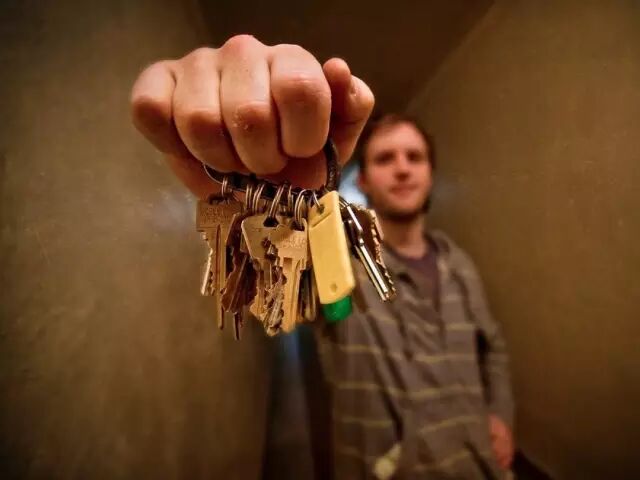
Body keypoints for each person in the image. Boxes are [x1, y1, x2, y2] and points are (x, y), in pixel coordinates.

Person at [131, 35, 514, 479]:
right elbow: (289, 296)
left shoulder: (458, 264)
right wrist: (261, 201)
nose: (403, 167)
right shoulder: (335, 259)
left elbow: (492, 346)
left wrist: (501, 414)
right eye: (385, 158)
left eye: (415, 157)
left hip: (478, 464)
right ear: (363, 180)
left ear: (430, 173)